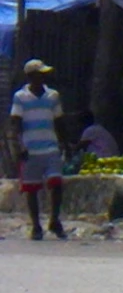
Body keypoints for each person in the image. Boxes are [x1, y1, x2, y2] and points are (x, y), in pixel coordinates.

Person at [10, 59, 68, 240]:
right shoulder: (20, 97)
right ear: (30, 76)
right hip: (30, 148)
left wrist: (64, 142)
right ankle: (36, 225)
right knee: (31, 188)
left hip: (50, 146)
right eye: (39, 74)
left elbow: (59, 121)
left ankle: (54, 219)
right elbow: (16, 123)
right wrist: (19, 146)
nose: (43, 77)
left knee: (56, 183)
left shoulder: (53, 96)